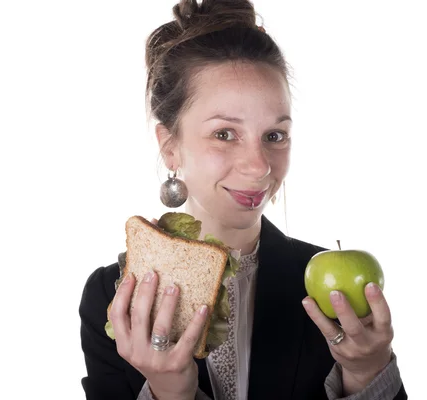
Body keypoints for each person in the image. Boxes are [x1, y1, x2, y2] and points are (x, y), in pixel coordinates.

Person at [79, 1, 407, 399]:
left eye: (274, 136)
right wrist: (170, 392)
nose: (259, 167)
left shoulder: (327, 296)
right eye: (224, 134)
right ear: (170, 146)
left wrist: (367, 373)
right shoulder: (112, 298)